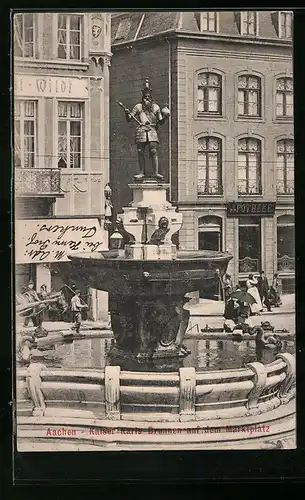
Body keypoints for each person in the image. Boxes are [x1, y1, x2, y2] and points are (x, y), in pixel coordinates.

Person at [124, 79, 170, 181]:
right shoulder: (138, 107)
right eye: (145, 97)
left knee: (153, 150)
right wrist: (126, 113)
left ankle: (156, 172)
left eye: (148, 97)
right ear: (142, 97)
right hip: (141, 130)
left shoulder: (156, 107)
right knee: (140, 151)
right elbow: (129, 118)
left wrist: (166, 117)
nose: (147, 99)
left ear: (151, 98)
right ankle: (141, 172)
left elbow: (160, 122)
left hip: (152, 129)